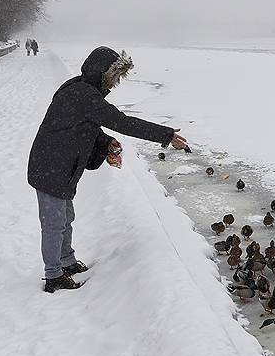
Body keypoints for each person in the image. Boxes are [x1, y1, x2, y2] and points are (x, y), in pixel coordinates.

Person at [27, 46, 189, 292]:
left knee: (65, 218)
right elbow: (123, 122)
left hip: (60, 164)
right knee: (54, 223)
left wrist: (104, 142)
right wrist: (165, 134)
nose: (113, 85)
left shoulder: (81, 89)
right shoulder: (84, 94)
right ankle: (53, 275)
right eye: (112, 78)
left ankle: (66, 261)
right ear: (100, 73)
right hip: (52, 165)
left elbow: (81, 124)